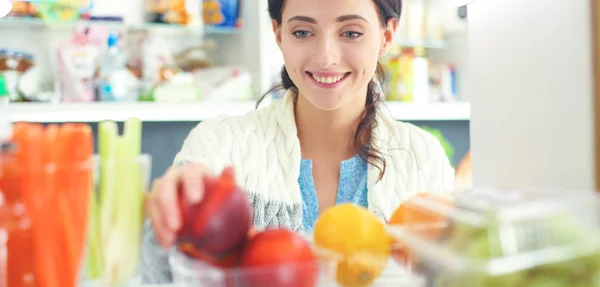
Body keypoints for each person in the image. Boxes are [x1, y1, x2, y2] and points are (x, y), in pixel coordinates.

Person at [140, 0, 454, 283]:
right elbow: (161, 273)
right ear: (278, 34)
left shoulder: (424, 160)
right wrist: (168, 218)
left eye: (351, 33)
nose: (326, 57)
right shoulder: (219, 145)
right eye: (303, 32)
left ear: (387, 36)